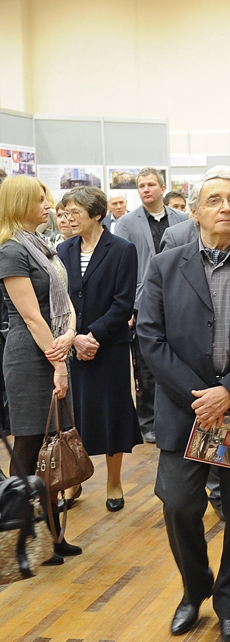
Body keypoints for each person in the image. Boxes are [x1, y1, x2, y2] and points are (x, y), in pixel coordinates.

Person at [137, 172, 230, 642]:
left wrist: (229, 393)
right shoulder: (164, 266)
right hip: (186, 411)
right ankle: (195, 586)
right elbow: (150, 338)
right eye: (214, 200)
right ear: (196, 211)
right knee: (179, 505)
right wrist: (201, 398)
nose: (225, 207)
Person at [0, 175, 83, 564]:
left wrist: (70, 334)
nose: (48, 205)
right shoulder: (11, 250)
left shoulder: (39, 244)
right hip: (31, 356)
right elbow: (32, 317)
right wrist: (58, 362)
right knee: (30, 446)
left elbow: (64, 301)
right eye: (39, 200)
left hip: (52, 348)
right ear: (18, 204)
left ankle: (50, 535)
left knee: (52, 444)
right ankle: (23, 539)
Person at [56, 186, 141, 512]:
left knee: (111, 414)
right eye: (66, 212)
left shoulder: (122, 249)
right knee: (74, 417)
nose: (69, 218)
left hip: (109, 348)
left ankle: (114, 482)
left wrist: (93, 336)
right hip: (72, 346)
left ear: (96, 214)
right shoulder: (63, 250)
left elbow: (123, 303)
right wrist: (75, 337)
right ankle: (74, 479)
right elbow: (60, 300)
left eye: (75, 212)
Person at [114, 167, 188, 443]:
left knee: (178, 358)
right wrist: (129, 307)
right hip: (143, 300)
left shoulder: (181, 219)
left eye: (150, 184)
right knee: (145, 364)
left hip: (178, 297)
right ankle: (147, 420)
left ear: (162, 187)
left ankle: (178, 415)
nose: (145, 189)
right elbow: (122, 267)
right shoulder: (126, 223)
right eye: (141, 186)